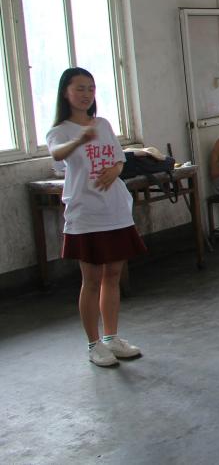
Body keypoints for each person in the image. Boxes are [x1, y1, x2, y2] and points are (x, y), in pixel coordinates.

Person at [46, 67, 147, 368]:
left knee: (113, 275)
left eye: (90, 88)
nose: (86, 94)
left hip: (114, 210)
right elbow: (57, 154)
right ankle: (93, 344)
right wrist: (80, 139)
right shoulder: (60, 130)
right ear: (66, 92)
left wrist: (115, 170)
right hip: (86, 214)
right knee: (91, 279)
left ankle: (111, 337)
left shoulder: (102, 124)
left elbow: (119, 159)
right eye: (79, 88)